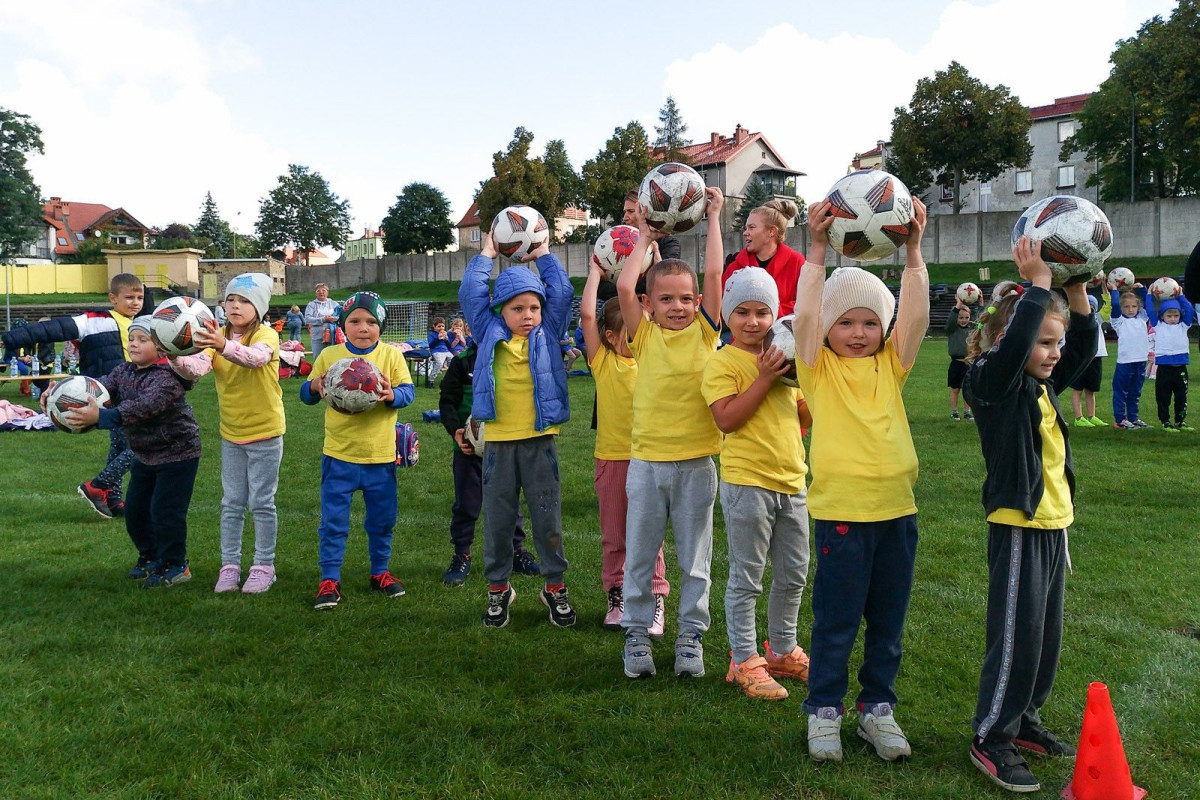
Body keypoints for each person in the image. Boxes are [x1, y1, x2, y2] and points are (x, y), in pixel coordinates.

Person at [793, 197, 929, 763]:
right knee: (837, 621)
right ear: (826, 330)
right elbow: (804, 316)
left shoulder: (891, 365)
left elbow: (915, 316)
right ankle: (824, 710)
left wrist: (915, 253)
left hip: (897, 512)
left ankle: (877, 710)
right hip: (844, 514)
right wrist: (817, 251)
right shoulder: (816, 368)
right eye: (844, 322)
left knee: (888, 625)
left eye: (869, 322)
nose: (857, 332)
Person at [963, 239, 1095, 793]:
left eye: (1055, 342)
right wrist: (1038, 286)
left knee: (1044, 640)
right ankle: (991, 735)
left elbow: (1086, 349)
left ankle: (1024, 722)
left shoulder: (1041, 386)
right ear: (1007, 341)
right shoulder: (993, 383)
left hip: (1052, 526)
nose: (1054, 353)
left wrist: (1077, 285)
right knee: (1016, 637)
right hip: (1018, 525)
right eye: (1043, 343)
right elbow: (1018, 344)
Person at [617, 187, 725, 680]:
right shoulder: (644, 335)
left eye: (686, 299)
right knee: (640, 556)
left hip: (698, 464)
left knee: (696, 559)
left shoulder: (706, 332)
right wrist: (643, 234)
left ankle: (689, 638)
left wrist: (716, 218)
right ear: (649, 305)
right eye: (666, 300)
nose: (678, 307)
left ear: (699, 303)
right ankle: (637, 634)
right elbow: (622, 288)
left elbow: (715, 273)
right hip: (646, 465)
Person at [701, 266, 812, 701]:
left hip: (793, 480)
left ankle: (782, 650)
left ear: (775, 314)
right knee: (747, 577)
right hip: (748, 483)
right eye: (742, 312)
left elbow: (804, 416)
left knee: (793, 574)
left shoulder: (785, 359)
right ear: (728, 316)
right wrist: (764, 378)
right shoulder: (723, 362)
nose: (753, 322)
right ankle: (743, 659)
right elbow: (726, 419)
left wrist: (818, 382)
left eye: (762, 312)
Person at [459, 233, 574, 629]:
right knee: (499, 522)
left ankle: (554, 587)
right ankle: (498, 589)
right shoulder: (487, 331)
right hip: (498, 446)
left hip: (540, 443)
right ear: (499, 311)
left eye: (534, 307)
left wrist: (543, 253)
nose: (528, 315)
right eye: (518, 308)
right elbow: (471, 292)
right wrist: (487, 253)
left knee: (547, 519)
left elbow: (561, 289)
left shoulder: (548, 330)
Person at [62, 318, 201, 587]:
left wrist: (100, 417)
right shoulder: (124, 371)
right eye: (132, 338)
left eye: (142, 340)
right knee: (136, 510)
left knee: (165, 512)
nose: (134, 344)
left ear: (161, 347)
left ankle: (176, 565)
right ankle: (150, 557)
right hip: (145, 454)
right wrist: (62, 392)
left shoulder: (167, 379)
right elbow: (100, 386)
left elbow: (140, 408)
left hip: (178, 455)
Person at [169, 274, 286, 594]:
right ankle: (230, 566)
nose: (235, 305)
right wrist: (173, 355)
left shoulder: (266, 335)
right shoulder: (216, 335)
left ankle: (264, 566)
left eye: (245, 300)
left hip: (265, 432)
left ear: (259, 307)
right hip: (231, 434)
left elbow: (255, 359)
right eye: (231, 299)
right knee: (232, 503)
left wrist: (222, 345)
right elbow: (196, 369)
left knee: (262, 502)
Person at [300, 291, 415, 610]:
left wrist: (393, 395)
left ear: (381, 326)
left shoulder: (392, 357)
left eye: (371, 322)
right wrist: (313, 386)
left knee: (382, 520)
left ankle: (380, 572)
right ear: (342, 325)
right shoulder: (329, 356)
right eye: (355, 321)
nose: (363, 327)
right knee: (334, 522)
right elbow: (306, 394)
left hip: (380, 457)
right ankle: (330, 579)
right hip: (339, 456)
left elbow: (408, 392)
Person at [2, 273, 147, 518]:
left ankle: (111, 498)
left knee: (120, 444)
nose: (135, 302)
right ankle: (98, 485)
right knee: (145, 445)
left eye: (140, 297)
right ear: (113, 298)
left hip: (137, 393)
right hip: (107, 394)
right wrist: (10, 338)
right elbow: (52, 329)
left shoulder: (143, 324)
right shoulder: (94, 321)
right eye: (129, 297)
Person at [579, 263, 669, 635]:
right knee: (615, 534)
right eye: (629, 333)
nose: (636, 337)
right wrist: (595, 274)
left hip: (649, 461)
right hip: (612, 462)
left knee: (650, 535)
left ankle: (655, 598)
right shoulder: (602, 363)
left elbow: (661, 314)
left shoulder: (655, 358)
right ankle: (617, 595)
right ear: (613, 336)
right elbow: (587, 314)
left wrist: (658, 263)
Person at [437, 339, 541, 587]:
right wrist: (456, 431)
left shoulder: (514, 358)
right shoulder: (462, 362)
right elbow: (447, 400)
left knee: (509, 502)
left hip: (505, 449)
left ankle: (516, 551)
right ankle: (461, 554)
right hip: (468, 449)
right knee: (467, 504)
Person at [721, 199, 806, 316]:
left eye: (751, 227)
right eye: (746, 228)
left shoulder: (796, 262)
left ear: (771, 231)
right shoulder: (735, 266)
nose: (745, 233)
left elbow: (805, 305)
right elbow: (720, 305)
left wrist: (767, 314)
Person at [1146, 290, 1194, 431]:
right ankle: (1165, 421)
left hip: (1180, 369)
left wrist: (1180, 296)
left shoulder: (1184, 325)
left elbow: (1190, 309)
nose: (1173, 318)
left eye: (1176, 315)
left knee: (1181, 397)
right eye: (1169, 315)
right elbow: (1149, 309)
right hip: (1164, 369)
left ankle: (1180, 421)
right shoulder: (1158, 326)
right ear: (1162, 316)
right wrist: (1149, 295)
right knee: (1163, 397)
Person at [1107, 282, 1151, 429]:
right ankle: (1120, 419)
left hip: (1141, 361)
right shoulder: (1118, 321)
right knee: (1121, 392)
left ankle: (1133, 418)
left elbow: (1148, 304)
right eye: (1126, 307)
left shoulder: (1142, 317)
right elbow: (1114, 305)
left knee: (1135, 392)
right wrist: (1114, 291)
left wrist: (1142, 289)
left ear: (1138, 307)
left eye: (1133, 306)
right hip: (1125, 362)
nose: (1131, 309)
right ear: (1121, 308)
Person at [1069, 294, 1109, 428]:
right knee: (1077, 389)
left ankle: (1092, 416)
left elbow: (1108, 306)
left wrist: (1104, 288)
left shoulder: (1098, 318)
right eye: (1086, 305)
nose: (1089, 308)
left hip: (1096, 357)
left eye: (1092, 306)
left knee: (1091, 389)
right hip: (1081, 358)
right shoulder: (1076, 320)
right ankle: (1078, 417)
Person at [946, 300, 975, 420]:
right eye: (961, 317)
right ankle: (954, 412)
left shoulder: (972, 328)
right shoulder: (952, 329)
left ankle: (967, 412)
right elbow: (950, 321)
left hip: (969, 364)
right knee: (955, 389)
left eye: (966, 317)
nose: (964, 320)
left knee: (967, 390)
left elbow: (982, 320)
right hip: (956, 364)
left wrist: (980, 302)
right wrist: (958, 306)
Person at [304, 283, 340, 362]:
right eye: (318, 290)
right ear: (315, 293)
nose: (321, 292)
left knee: (333, 358)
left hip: (333, 336)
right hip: (317, 336)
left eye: (323, 290)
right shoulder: (311, 305)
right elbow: (307, 319)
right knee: (318, 358)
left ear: (327, 292)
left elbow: (341, 317)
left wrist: (333, 319)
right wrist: (323, 319)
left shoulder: (334, 304)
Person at [427, 316, 454, 387]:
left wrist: (446, 339)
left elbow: (449, 346)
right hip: (436, 351)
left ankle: (449, 379)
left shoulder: (445, 334)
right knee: (439, 363)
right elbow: (431, 345)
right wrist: (438, 339)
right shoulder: (431, 334)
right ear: (434, 327)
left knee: (453, 361)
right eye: (439, 326)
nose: (441, 328)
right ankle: (431, 380)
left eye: (443, 326)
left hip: (445, 351)